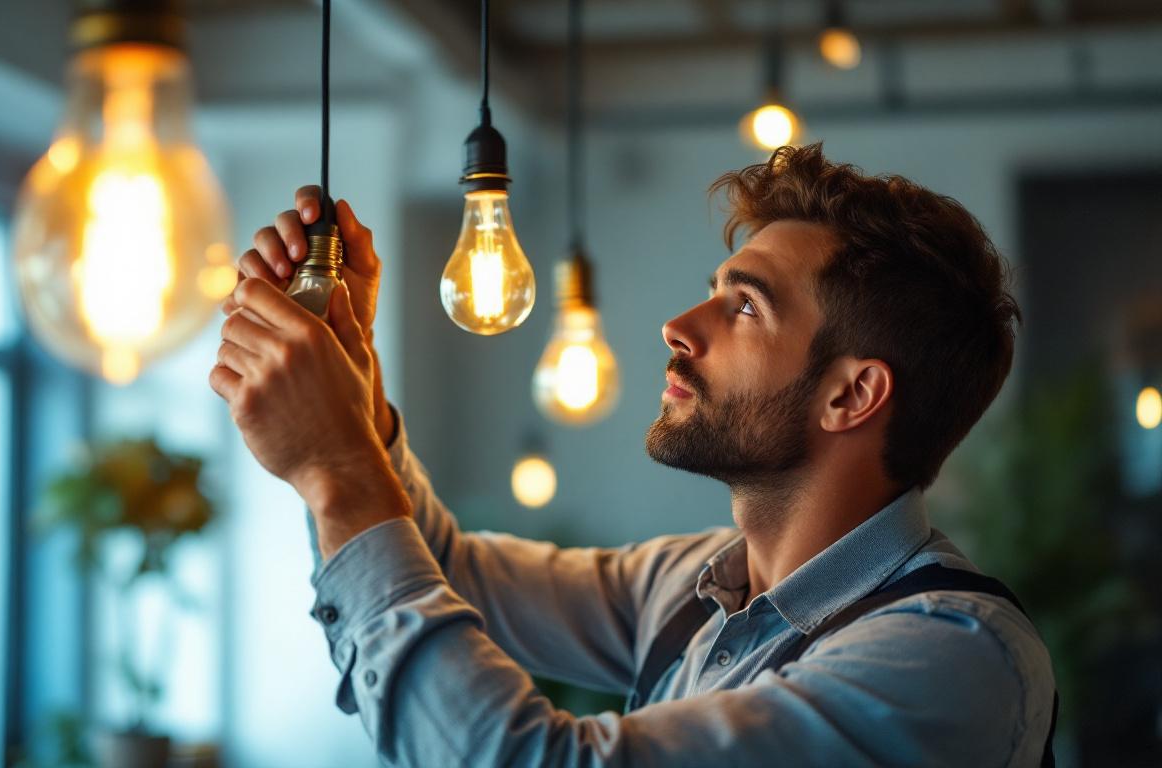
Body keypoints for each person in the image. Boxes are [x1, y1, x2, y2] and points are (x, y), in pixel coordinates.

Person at [209, 144, 1056, 766]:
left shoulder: (951, 654)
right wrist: (357, 400)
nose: (680, 328)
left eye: (745, 307)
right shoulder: (693, 588)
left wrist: (339, 472)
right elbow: (450, 571)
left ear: (852, 396)